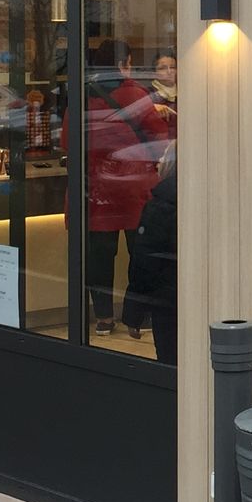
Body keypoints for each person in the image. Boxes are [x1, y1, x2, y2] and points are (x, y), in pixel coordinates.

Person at [67, 39, 170, 338]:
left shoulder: (81, 95)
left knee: (99, 256)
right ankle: (136, 316)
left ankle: (102, 318)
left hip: (97, 189)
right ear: (124, 63)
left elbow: (67, 141)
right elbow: (158, 138)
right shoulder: (135, 95)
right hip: (134, 188)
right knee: (139, 254)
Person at [125, 141, 178, 365]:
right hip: (200, 299)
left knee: (169, 363)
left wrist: (133, 312)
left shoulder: (160, 205)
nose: (157, 164)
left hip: (167, 302)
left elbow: (144, 263)